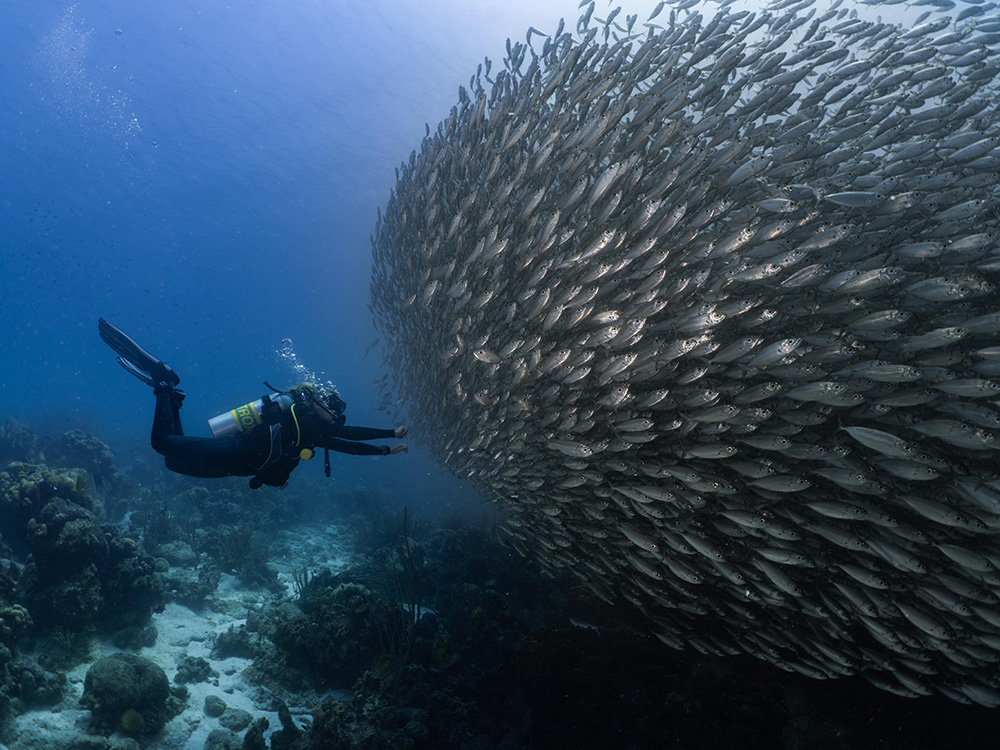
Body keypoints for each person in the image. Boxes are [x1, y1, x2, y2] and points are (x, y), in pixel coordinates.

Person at [99, 318, 407, 489]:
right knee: (162, 445)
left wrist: (387, 444)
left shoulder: (312, 427)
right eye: (334, 409)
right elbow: (350, 439)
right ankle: (163, 381)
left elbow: (347, 439)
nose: (337, 417)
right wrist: (389, 440)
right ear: (318, 403)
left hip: (242, 467)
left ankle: (173, 398)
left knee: (172, 461)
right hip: (237, 452)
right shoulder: (308, 421)